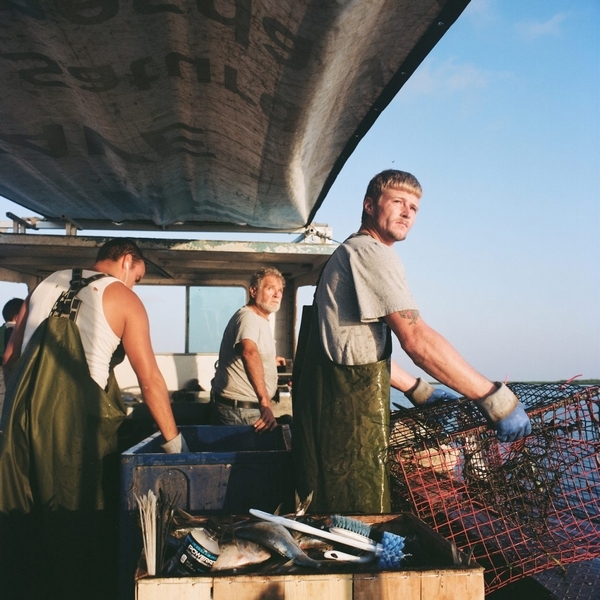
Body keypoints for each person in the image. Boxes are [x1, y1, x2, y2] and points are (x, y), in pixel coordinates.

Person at [292, 169, 531, 514]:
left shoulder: (345, 254)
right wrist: (493, 398)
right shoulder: (372, 253)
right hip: (349, 436)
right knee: (360, 520)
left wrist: (419, 389)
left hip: (329, 426)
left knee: (333, 517)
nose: (407, 213)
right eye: (398, 202)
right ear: (370, 205)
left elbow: (354, 352)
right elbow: (416, 340)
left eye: (415, 208)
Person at [0, 238, 185, 600]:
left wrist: (19, 413)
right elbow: (149, 380)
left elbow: (9, 358)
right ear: (127, 261)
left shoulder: (44, 284)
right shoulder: (123, 297)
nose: (135, 285)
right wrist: (175, 444)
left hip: (17, 425)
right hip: (73, 430)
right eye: (139, 277)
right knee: (74, 529)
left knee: (20, 526)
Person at [211, 267, 286, 433]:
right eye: (270, 288)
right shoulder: (248, 318)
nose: (277, 294)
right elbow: (248, 352)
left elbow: (251, 353)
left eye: (280, 290)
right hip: (242, 412)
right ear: (253, 291)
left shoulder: (260, 319)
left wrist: (270, 361)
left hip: (245, 408)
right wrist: (265, 403)